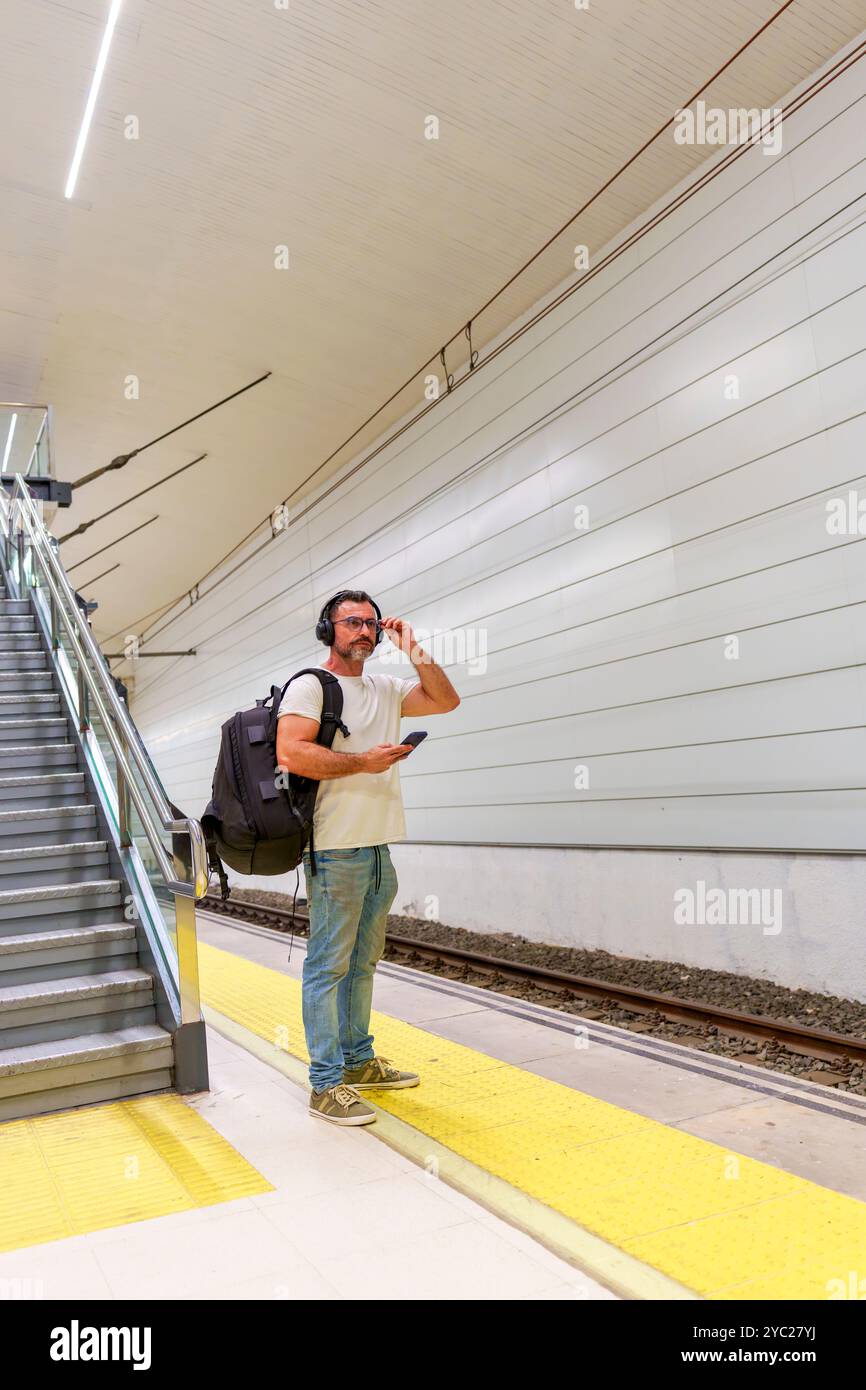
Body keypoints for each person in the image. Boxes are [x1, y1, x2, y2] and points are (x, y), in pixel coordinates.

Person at [275, 590, 460, 1126]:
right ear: (327, 629)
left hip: (378, 846)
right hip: (334, 848)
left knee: (362, 962)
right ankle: (325, 1084)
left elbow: (446, 700)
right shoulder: (311, 686)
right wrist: (363, 762)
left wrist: (413, 647)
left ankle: (358, 1062)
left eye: (370, 623)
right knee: (328, 966)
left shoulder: (386, 685)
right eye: (351, 621)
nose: (363, 630)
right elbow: (292, 753)